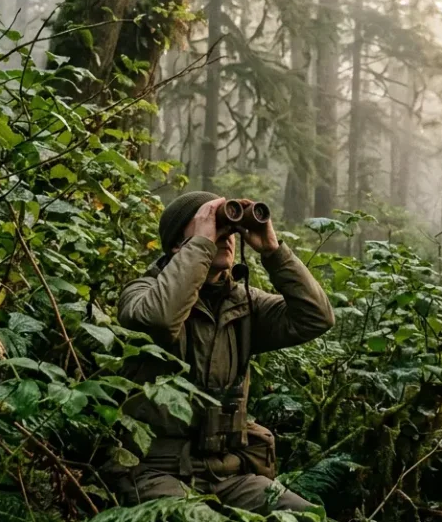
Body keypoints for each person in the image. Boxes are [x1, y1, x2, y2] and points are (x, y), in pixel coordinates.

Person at [111, 191, 334, 513]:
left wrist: (272, 250)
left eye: (226, 229)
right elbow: (160, 319)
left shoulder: (244, 303)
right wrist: (201, 244)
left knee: (305, 516)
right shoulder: (141, 292)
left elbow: (317, 318)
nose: (225, 237)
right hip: (153, 469)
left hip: (228, 472)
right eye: (213, 227)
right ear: (178, 244)